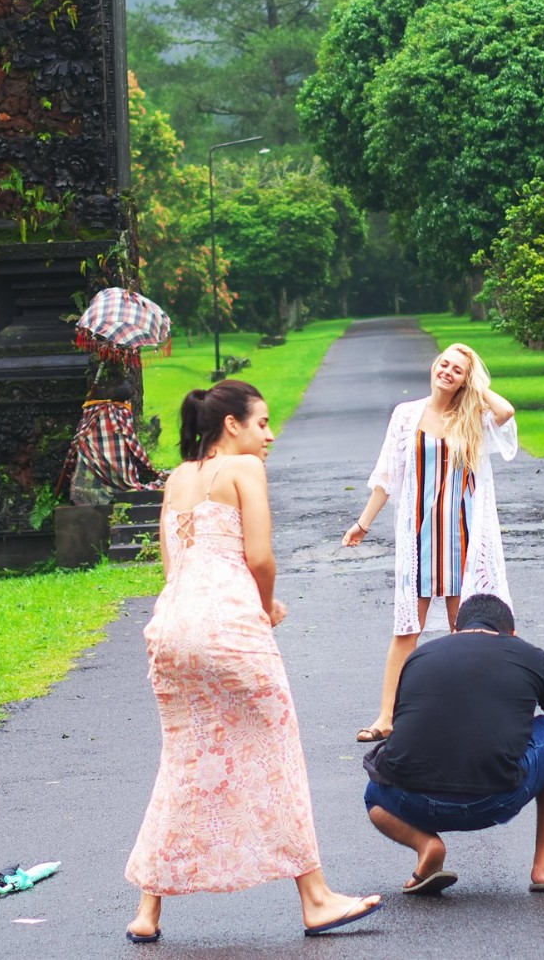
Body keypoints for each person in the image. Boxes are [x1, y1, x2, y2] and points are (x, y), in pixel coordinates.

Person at [123, 380, 383, 943]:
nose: (269, 436)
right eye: (262, 423)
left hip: (170, 628)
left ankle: (147, 911)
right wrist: (264, 609)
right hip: (230, 629)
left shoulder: (177, 479)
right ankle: (315, 898)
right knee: (277, 753)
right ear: (232, 425)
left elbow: (175, 566)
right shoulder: (244, 470)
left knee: (185, 758)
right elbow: (260, 558)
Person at [340, 343, 517, 742]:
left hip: (463, 541)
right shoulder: (407, 415)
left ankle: (470, 716)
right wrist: (362, 524)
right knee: (406, 630)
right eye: (445, 364)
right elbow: (387, 475)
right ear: (434, 367)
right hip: (420, 540)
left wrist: (477, 381)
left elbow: (506, 413)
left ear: (466, 378)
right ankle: (386, 717)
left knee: (465, 632)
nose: (448, 372)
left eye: (458, 370)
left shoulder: (473, 416)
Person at [360, 594, 544, 895]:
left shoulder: (420, 655)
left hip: (411, 802)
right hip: (495, 797)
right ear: (512, 634)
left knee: (373, 795)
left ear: (454, 629)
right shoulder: (529, 655)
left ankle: (426, 844)